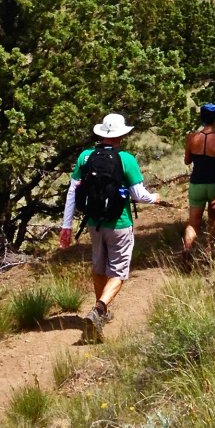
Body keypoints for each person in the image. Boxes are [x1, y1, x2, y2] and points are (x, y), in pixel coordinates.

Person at [59, 112, 159, 342]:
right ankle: (100, 308)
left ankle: (99, 314)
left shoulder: (85, 157)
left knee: (99, 266)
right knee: (118, 272)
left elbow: (73, 191)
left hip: (93, 223)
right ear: (121, 135)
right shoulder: (126, 159)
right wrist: (155, 197)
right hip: (120, 223)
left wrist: (66, 226)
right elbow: (138, 195)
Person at [181, 102, 215, 264]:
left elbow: (187, 161)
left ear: (201, 117)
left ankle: (187, 248)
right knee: (213, 219)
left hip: (196, 184)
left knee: (193, 223)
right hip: (213, 185)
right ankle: (209, 251)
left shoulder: (192, 138)